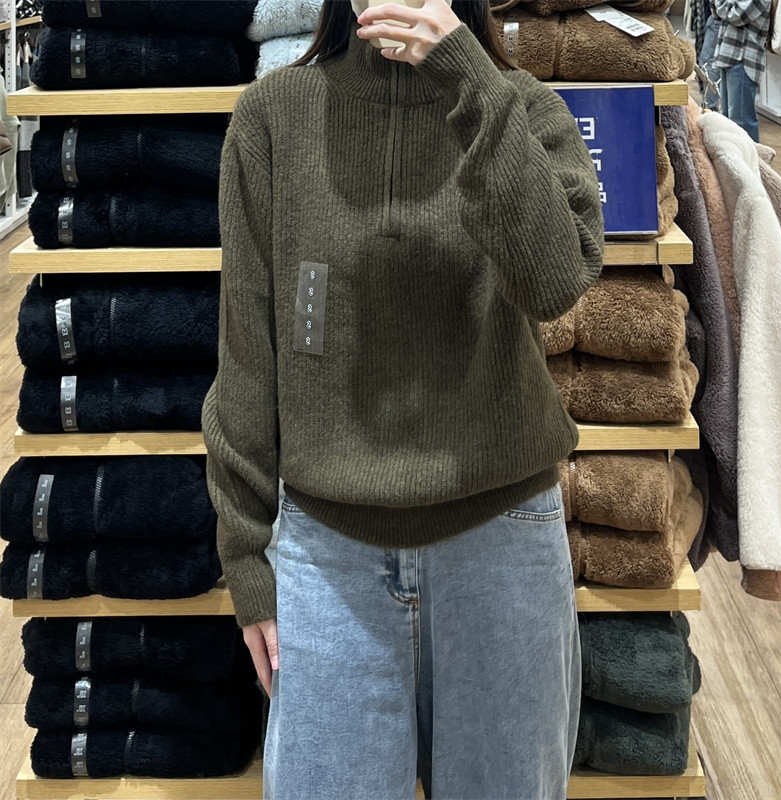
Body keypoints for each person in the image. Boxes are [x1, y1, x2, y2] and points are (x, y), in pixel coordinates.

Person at [201, 0, 604, 797]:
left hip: (503, 544)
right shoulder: (273, 116)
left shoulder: (523, 106)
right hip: (325, 552)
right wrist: (246, 560)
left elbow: (556, 281)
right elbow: (247, 353)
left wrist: (466, 76)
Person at [710, 0, 773, 141]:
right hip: (728, 56)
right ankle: (736, 155)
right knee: (728, 123)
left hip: (744, 60)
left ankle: (751, 156)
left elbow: (736, 15)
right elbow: (716, 13)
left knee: (742, 123)